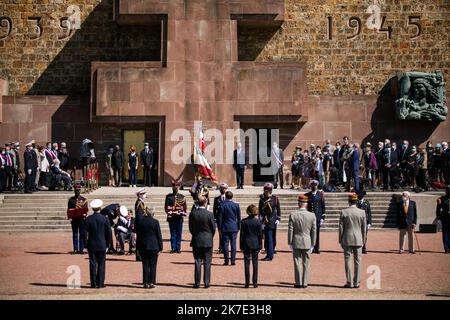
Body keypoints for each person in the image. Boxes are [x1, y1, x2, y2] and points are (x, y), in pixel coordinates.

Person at [288, 194, 316, 288]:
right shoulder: (312, 215)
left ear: (298, 204)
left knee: (297, 262)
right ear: (306, 204)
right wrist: (313, 243)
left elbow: (290, 229)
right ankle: (305, 282)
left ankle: (298, 282)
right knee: (306, 263)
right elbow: (314, 231)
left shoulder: (293, 215)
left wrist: (289, 242)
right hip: (307, 240)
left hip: (296, 240)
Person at [339, 193, 366, 289]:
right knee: (358, 261)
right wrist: (364, 240)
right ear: (356, 201)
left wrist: (340, 239)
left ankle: (349, 282)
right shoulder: (362, 212)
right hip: (358, 238)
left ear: (349, 201)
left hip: (347, 238)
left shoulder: (344, 212)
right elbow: (364, 228)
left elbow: (341, 227)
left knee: (348, 261)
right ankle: (357, 282)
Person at [189, 196, 216, 289]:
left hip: (197, 240)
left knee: (197, 261)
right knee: (207, 262)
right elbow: (213, 228)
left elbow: (191, 228)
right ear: (205, 203)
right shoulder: (209, 214)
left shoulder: (193, 214)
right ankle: (207, 282)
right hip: (207, 240)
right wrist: (209, 236)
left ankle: (197, 283)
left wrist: (196, 234)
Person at [85, 199, 111, 289]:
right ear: (100, 207)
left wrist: (85, 244)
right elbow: (109, 232)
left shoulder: (88, 219)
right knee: (101, 264)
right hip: (102, 244)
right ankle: (100, 283)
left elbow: (84, 233)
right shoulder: (105, 219)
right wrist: (108, 244)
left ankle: (93, 283)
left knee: (92, 264)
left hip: (91, 244)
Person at [135, 206, 163, 288]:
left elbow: (139, 236)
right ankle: (152, 282)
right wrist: (160, 247)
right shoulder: (155, 222)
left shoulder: (141, 222)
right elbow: (159, 235)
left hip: (143, 246)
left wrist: (138, 247)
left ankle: (145, 282)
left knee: (145, 265)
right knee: (153, 265)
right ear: (153, 213)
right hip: (154, 246)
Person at [240, 204, 262, 288]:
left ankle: (247, 282)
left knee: (246, 263)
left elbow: (242, 235)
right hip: (255, 244)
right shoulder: (258, 222)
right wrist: (260, 246)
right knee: (255, 264)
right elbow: (260, 236)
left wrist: (241, 246)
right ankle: (255, 282)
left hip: (246, 243)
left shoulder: (244, 221)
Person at [217, 191, 241, 266]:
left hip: (225, 227)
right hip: (234, 227)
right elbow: (239, 218)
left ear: (226, 196)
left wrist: (219, 228)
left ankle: (226, 260)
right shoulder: (236, 205)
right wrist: (238, 227)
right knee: (233, 245)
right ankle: (233, 261)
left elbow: (219, 218)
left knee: (225, 244)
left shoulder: (222, 205)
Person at [258, 183, 280, 261]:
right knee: (268, 238)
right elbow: (260, 211)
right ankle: (269, 254)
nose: (265, 192)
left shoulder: (275, 199)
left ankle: (269, 256)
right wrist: (260, 221)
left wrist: (278, 219)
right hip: (266, 221)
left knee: (270, 238)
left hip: (271, 221)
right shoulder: (262, 199)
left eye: (267, 190)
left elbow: (278, 210)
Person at [164, 180, 187, 254]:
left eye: (177, 186)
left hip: (179, 218)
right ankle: (173, 247)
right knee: (173, 233)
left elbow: (184, 208)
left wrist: (181, 212)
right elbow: (166, 207)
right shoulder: (168, 197)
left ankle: (178, 248)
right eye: (174, 186)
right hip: (172, 218)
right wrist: (171, 212)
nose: (175, 187)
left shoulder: (182, 197)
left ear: (179, 187)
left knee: (179, 233)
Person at [305, 180, 325, 254]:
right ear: (310, 186)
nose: (314, 186)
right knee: (310, 233)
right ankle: (310, 247)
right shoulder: (307, 195)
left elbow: (323, 206)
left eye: (315, 185)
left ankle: (317, 248)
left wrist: (323, 217)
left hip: (317, 216)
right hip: (309, 216)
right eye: (312, 185)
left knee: (317, 233)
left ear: (317, 186)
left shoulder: (320, 194)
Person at [67, 184, 88, 254]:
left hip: (82, 219)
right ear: (74, 190)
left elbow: (86, 209)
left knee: (82, 234)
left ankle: (81, 249)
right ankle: (75, 249)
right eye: (76, 190)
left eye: (79, 190)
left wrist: (85, 214)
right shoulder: (71, 200)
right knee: (75, 234)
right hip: (74, 219)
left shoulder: (84, 199)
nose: (77, 192)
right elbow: (69, 209)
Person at [213, 183, 228, 253]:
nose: (223, 190)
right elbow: (214, 210)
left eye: (224, 188)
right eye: (221, 188)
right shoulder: (216, 199)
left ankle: (226, 247)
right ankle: (221, 247)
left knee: (227, 234)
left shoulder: (228, 198)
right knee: (220, 234)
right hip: (220, 220)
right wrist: (214, 218)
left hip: (227, 219)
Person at [436, 185, 450, 253]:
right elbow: (438, 209)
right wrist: (438, 218)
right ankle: (447, 248)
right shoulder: (441, 199)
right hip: (445, 218)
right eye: (447, 189)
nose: (448, 191)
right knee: (445, 233)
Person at [135, 188, 147, 261]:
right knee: (139, 240)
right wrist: (141, 224)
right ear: (140, 195)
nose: (145, 195)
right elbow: (139, 216)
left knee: (140, 240)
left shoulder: (141, 202)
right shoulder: (139, 203)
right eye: (143, 194)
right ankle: (139, 256)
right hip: (140, 225)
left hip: (140, 224)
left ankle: (140, 255)